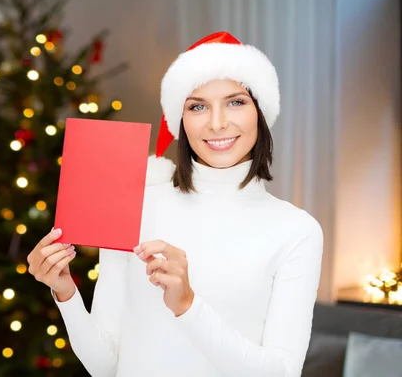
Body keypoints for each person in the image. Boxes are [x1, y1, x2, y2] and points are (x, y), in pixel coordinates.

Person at [27, 31, 323, 377]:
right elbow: (106, 366)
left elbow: (281, 372)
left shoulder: (296, 231)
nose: (217, 123)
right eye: (197, 106)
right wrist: (65, 293)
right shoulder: (136, 204)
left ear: (260, 110)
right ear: (180, 119)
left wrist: (188, 306)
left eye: (235, 102)